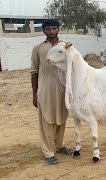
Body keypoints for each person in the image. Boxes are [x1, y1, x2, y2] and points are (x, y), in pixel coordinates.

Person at [30, 19, 72, 165]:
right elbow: (34, 72)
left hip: (63, 87)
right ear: (43, 31)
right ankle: (48, 152)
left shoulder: (65, 46)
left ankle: (59, 145)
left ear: (58, 29)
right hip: (45, 88)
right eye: (48, 29)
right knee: (47, 120)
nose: (52, 31)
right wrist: (34, 94)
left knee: (62, 118)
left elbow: (73, 66)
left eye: (54, 28)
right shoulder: (38, 48)